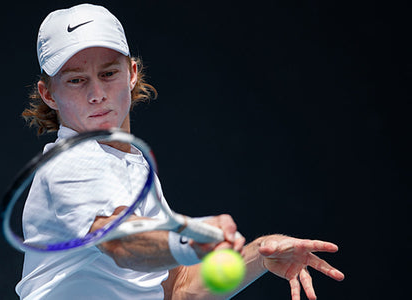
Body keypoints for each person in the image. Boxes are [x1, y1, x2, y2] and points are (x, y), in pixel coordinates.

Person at [17, 4, 345, 300]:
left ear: (131, 73)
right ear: (48, 94)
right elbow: (117, 240)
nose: (97, 94)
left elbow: (180, 289)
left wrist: (260, 253)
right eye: (76, 81)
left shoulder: (134, 166)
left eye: (108, 73)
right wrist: (188, 238)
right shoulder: (69, 163)